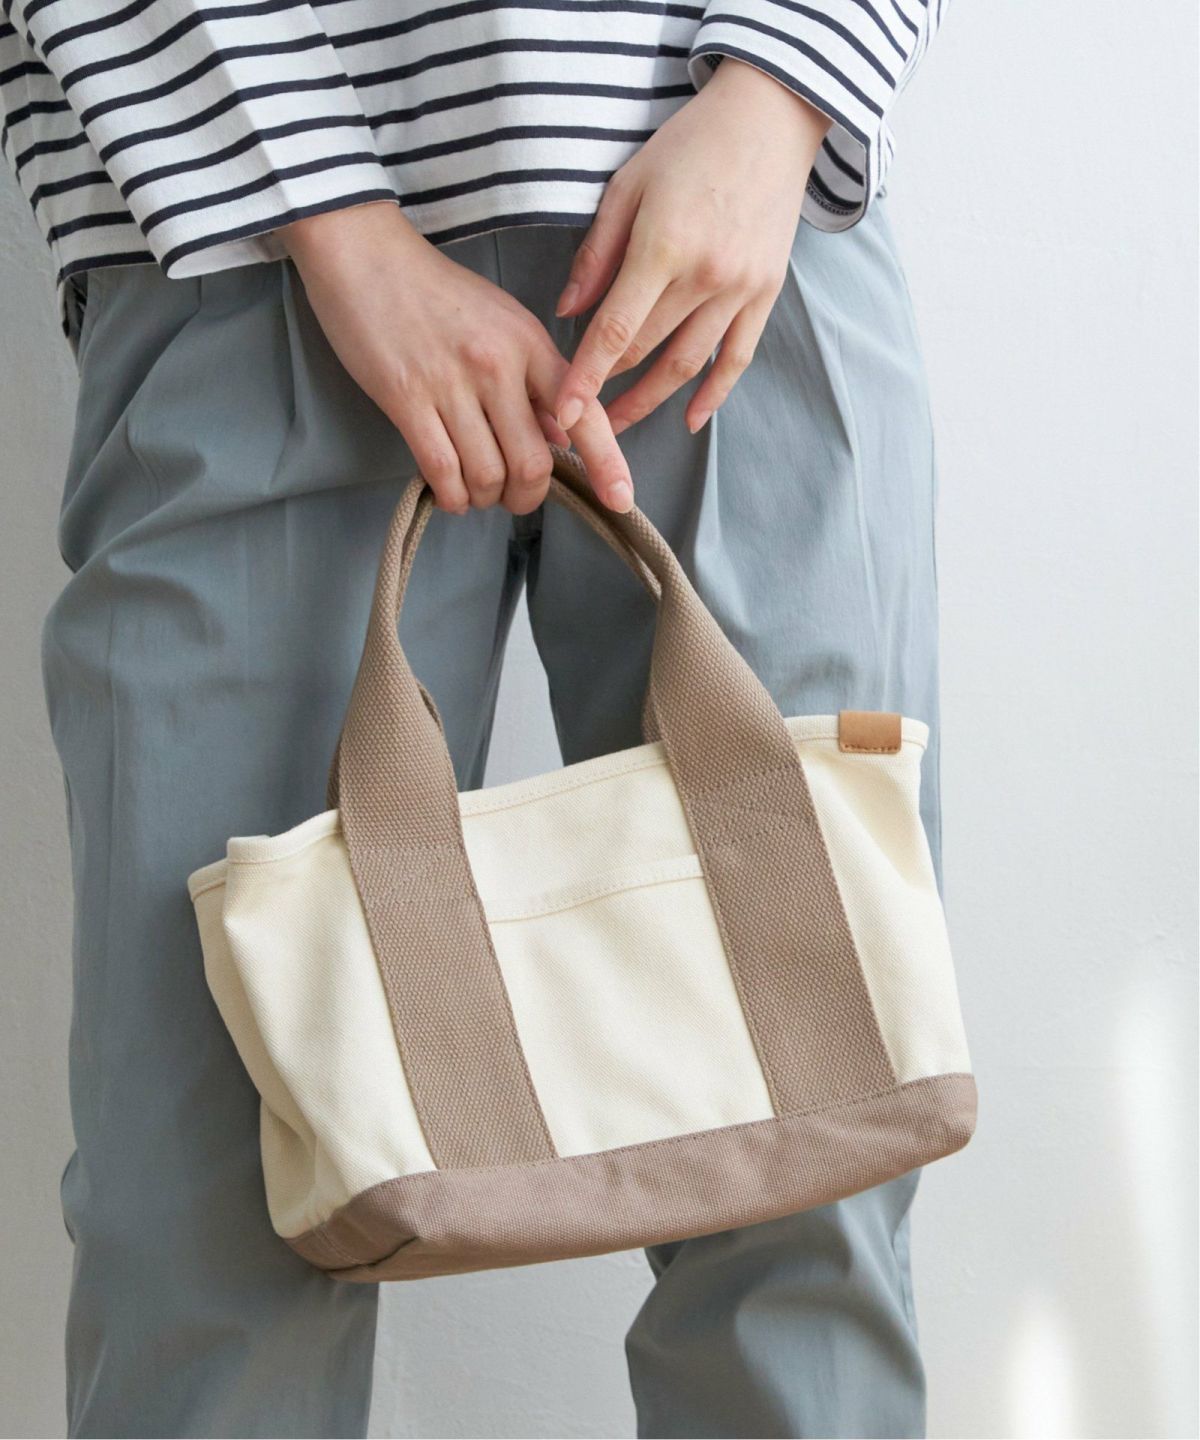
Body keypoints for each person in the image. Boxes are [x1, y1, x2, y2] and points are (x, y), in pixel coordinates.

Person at [1, 0, 953, 1434]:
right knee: (210, 1208)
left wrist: (782, 91)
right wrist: (331, 215)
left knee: (815, 1170)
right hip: (242, 247)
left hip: (732, 250)